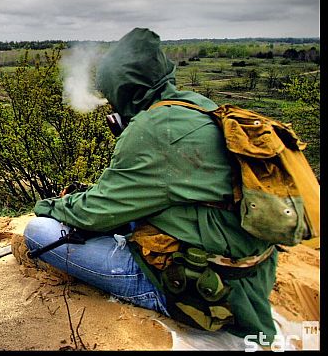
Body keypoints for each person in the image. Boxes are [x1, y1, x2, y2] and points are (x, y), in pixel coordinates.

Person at [21, 27, 278, 344]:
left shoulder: (151, 129)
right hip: (248, 273)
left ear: (124, 90)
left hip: (205, 288)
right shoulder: (198, 105)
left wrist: (50, 206)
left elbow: (94, 214)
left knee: (38, 233)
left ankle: (158, 295)